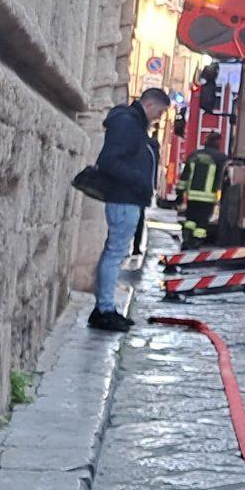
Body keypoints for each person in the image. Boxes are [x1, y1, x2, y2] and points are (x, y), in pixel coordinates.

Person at [87, 87, 170, 331]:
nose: (159, 118)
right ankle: (105, 310)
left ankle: (103, 307)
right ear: (151, 106)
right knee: (115, 254)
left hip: (128, 198)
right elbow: (109, 160)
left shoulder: (133, 124)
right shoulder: (128, 123)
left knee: (113, 253)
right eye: (160, 112)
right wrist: (138, 180)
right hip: (125, 198)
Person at [177, 135, 226, 249]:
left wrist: (179, 193)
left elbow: (184, 177)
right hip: (208, 198)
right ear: (218, 143)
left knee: (190, 219)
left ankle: (187, 238)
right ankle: (196, 241)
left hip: (192, 196)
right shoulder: (221, 158)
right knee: (202, 223)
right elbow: (222, 180)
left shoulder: (194, 155)